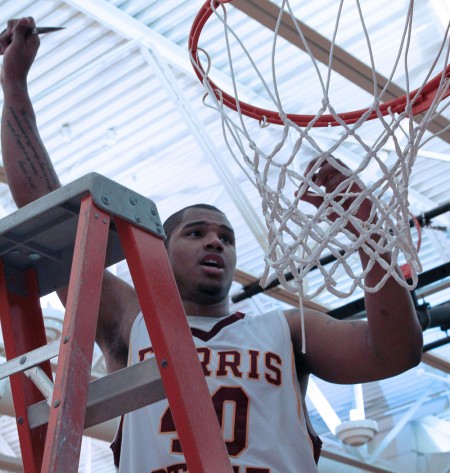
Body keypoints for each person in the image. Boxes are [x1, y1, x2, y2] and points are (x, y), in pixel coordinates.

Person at [0, 17, 423, 473]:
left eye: (226, 237)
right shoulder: (130, 319)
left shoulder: (289, 330)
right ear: (158, 249)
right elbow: (48, 207)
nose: (215, 242)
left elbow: (395, 352)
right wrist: (15, 85)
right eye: (196, 232)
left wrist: (371, 235)